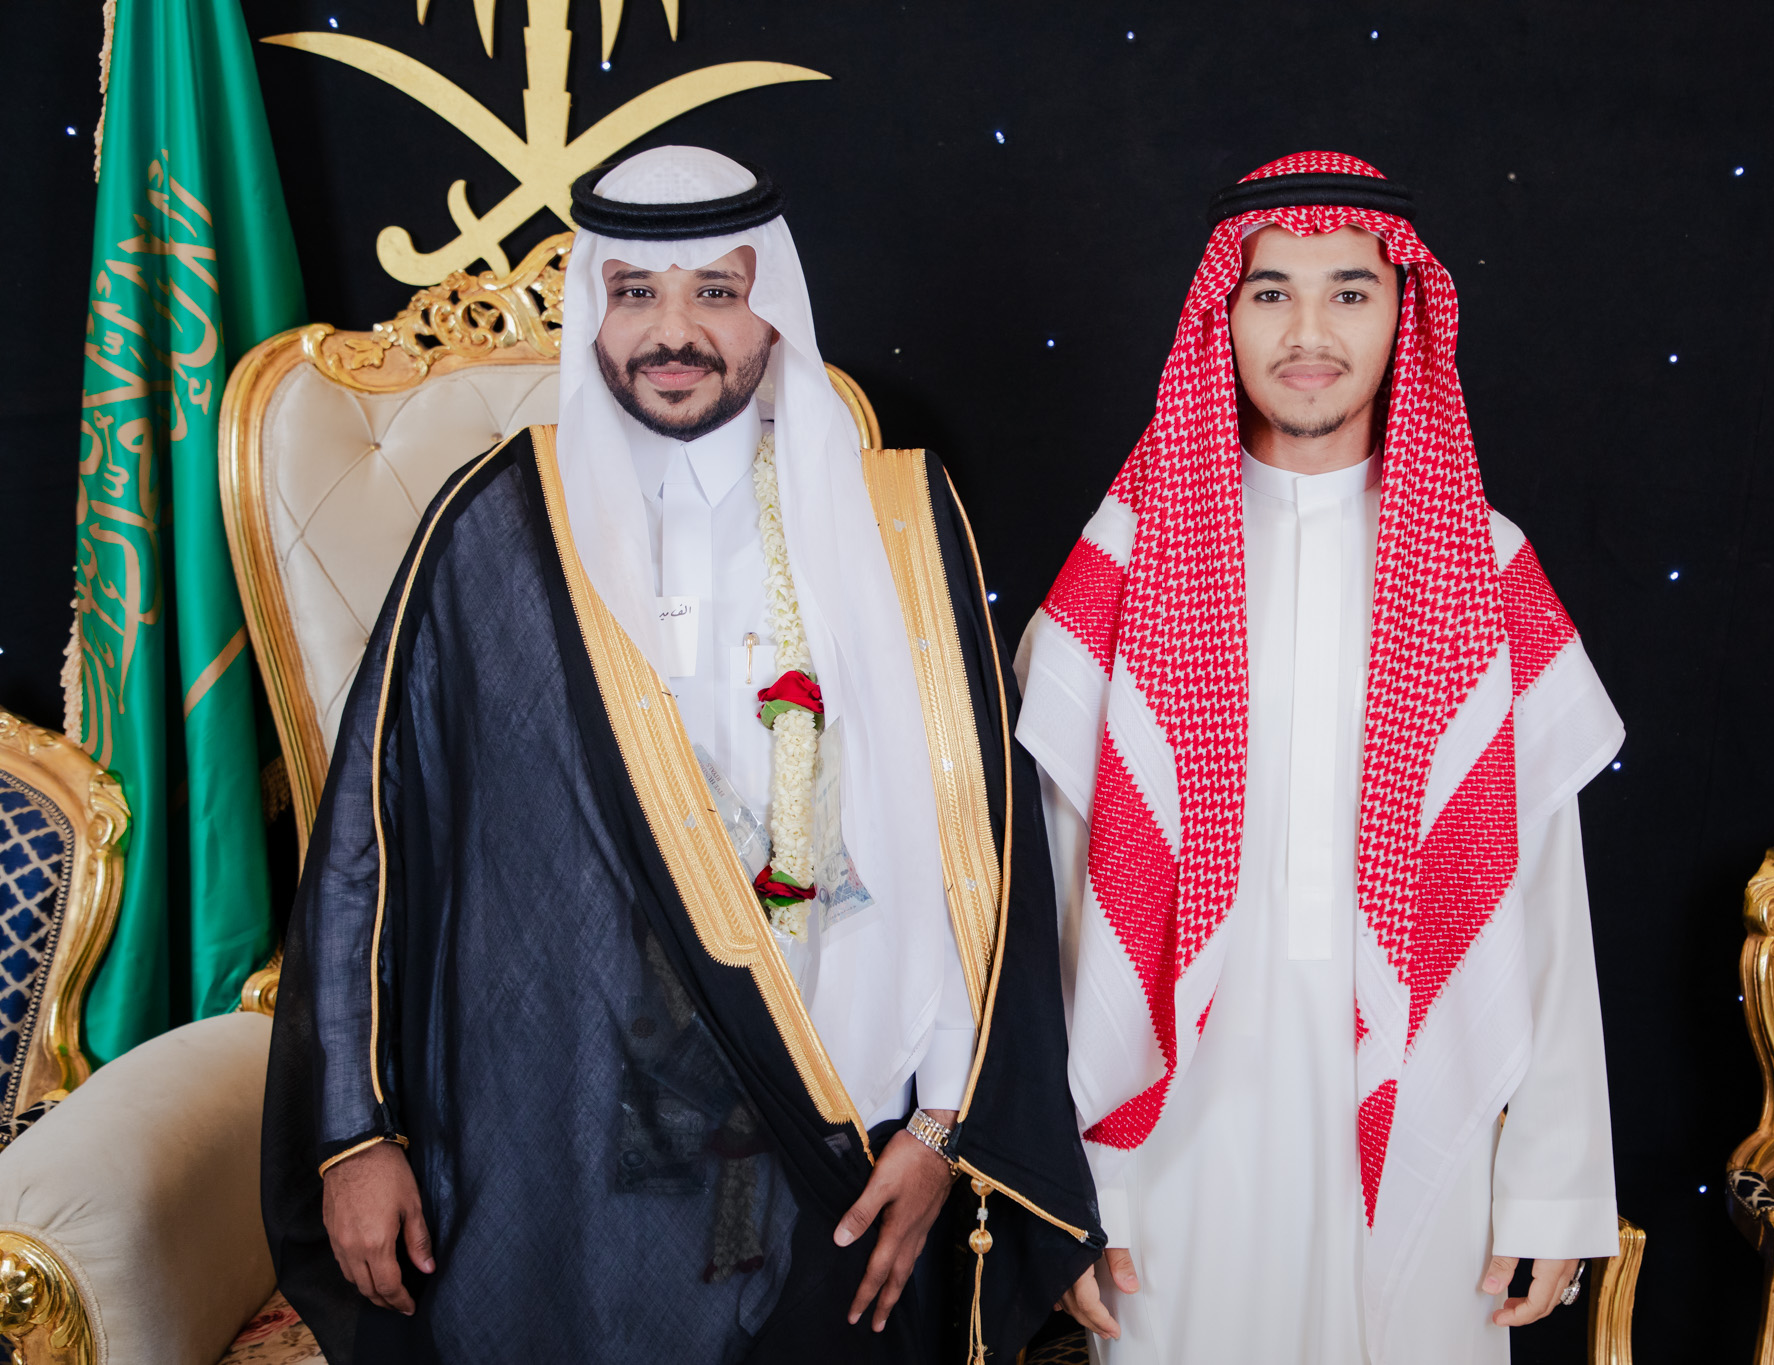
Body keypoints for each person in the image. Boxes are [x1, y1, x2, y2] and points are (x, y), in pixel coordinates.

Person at [261, 146, 1099, 1365]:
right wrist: (354, 1135)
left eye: (716, 291)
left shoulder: (891, 525)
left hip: (848, 1140)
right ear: (593, 308)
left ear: (774, 309)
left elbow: (978, 852)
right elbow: (366, 852)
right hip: (564, 1153)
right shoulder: (494, 528)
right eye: (635, 293)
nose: (673, 331)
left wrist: (942, 1127)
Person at [1016, 152, 1624, 1363]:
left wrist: (1553, 1181)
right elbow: (1055, 890)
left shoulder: (1482, 562)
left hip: (1426, 1109)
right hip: (1164, 1130)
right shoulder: (1127, 557)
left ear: (1404, 315)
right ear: (1220, 316)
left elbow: (1544, 894)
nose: (1307, 332)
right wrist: (1062, 1188)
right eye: (1269, 293)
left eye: (1349, 292)